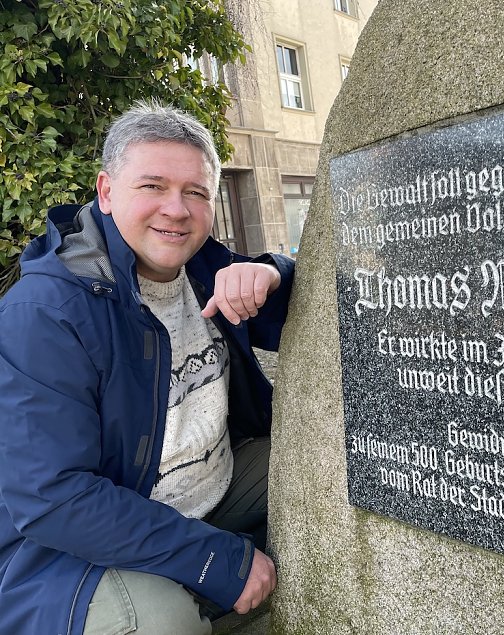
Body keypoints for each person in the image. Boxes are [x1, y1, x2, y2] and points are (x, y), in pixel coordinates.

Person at [0, 102, 295, 634]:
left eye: (196, 192)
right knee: (162, 622)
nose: (176, 210)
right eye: (153, 186)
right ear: (107, 192)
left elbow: (314, 309)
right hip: (77, 550)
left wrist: (271, 273)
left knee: (335, 461)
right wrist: (215, 560)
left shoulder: (203, 267)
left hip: (213, 488)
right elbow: (52, 497)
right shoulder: (45, 313)